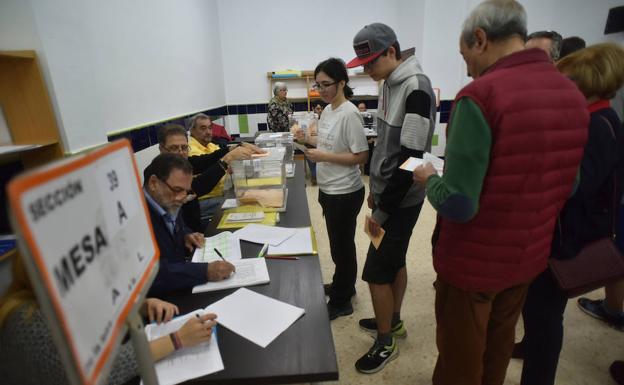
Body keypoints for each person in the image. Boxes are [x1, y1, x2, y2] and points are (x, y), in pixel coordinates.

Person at [412, 1, 589, 384]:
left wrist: (430, 179)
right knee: (498, 347)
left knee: (460, 357)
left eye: (465, 56)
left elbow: (459, 203)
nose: (467, 68)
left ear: (480, 39)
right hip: (528, 256)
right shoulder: (572, 95)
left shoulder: (480, 96)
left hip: (473, 263)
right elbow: (570, 184)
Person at [346, 22, 436, 373]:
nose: (367, 70)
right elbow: (386, 145)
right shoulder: (390, 83)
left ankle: (385, 343)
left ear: (392, 52)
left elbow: (412, 157)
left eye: (370, 62)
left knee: (375, 273)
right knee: (394, 261)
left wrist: (383, 208)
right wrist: (374, 188)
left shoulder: (416, 87)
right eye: (362, 64)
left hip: (402, 199)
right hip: (387, 194)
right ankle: (393, 320)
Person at [0, 253, 218, 385]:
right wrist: (176, 339)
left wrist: (141, 307)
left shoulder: (59, 296)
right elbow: (100, 373)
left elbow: (98, 308)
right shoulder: (29, 323)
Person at [294, 58, 369, 320]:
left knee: (342, 246)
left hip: (345, 191)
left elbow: (360, 155)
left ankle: (342, 299)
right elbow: (326, 141)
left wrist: (324, 157)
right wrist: (306, 139)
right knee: (338, 245)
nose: (321, 89)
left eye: (326, 84)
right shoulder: (327, 111)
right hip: (329, 189)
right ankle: (341, 285)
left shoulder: (349, 113)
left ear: (342, 83)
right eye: (318, 84)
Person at [143, 153, 235, 297]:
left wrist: (185, 234)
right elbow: (148, 275)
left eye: (186, 191)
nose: (182, 197)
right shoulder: (137, 219)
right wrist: (205, 271)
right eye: (177, 190)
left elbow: (177, 224)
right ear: (154, 183)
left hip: (180, 284)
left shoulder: (166, 199)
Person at [157, 123, 261, 231]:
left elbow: (206, 160)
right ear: (161, 148)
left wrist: (235, 147)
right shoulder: (157, 173)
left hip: (194, 227)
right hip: (184, 234)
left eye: (184, 148)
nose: (180, 153)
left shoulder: (181, 163)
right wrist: (226, 160)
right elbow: (197, 186)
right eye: (174, 148)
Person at [186, 114, 265, 225]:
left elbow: (217, 157)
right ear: (192, 131)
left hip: (224, 192)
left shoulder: (211, 145)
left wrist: (237, 147)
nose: (208, 132)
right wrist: (226, 161)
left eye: (210, 127)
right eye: (203, 128)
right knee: (248, 204)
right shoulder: (190, 150)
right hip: (204, 200)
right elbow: (205, 177)